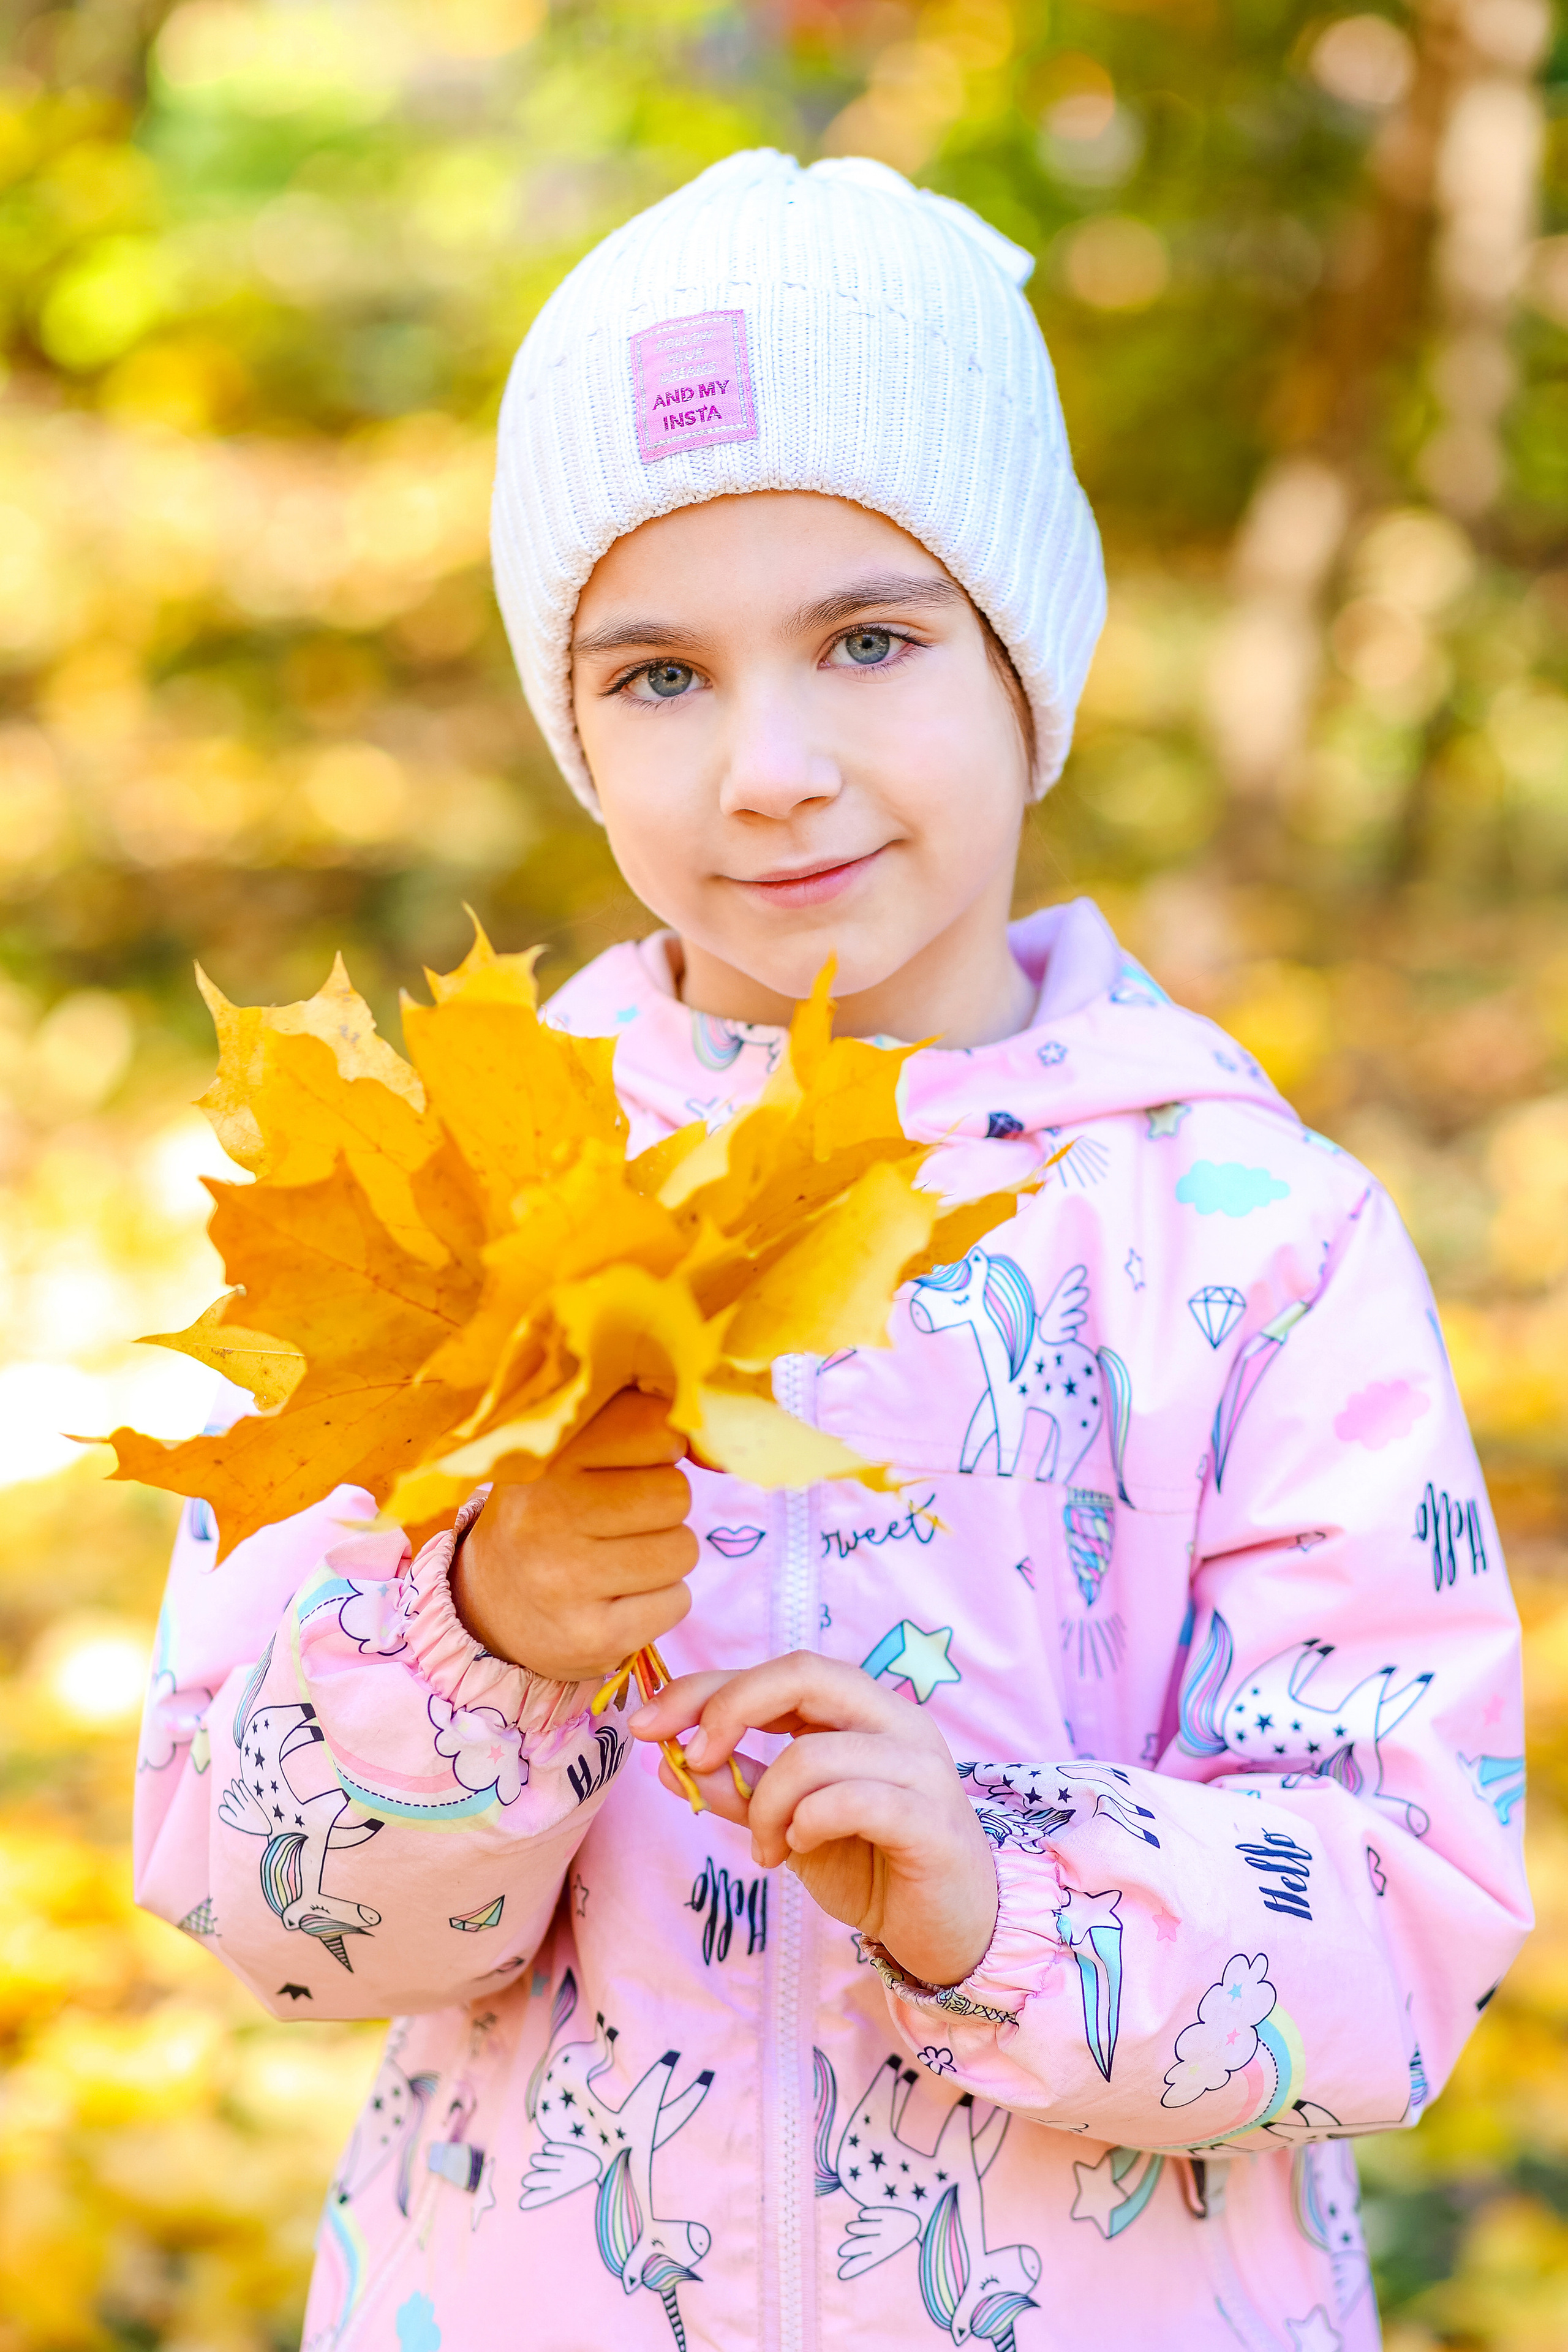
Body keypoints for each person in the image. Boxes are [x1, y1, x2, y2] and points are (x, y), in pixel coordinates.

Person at [134, 152, 1530, 2352]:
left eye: (868, 640)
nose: (770, 771)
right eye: (661, 675)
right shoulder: (458, 1212)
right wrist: (477, 1638)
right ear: (574, 724)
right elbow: (271, 1918)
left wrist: (1004, 1894)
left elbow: (1406, 1920)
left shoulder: (1246, 1241)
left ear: (1025, 659)